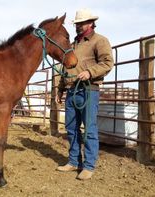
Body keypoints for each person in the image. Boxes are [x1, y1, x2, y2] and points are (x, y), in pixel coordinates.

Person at [55, 8, 114, 180]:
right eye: (77, 23)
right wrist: (60, 89)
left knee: (89, 129)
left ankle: (88, 165)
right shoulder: (73, 45)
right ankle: (74, 161)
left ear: (90, 23)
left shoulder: (100, 41)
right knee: (71, 129)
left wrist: (90, 72)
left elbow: (107, 63)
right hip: (72, 90)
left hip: (88, 90)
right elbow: (66, 67)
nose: (78, 26)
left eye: (81, 23)